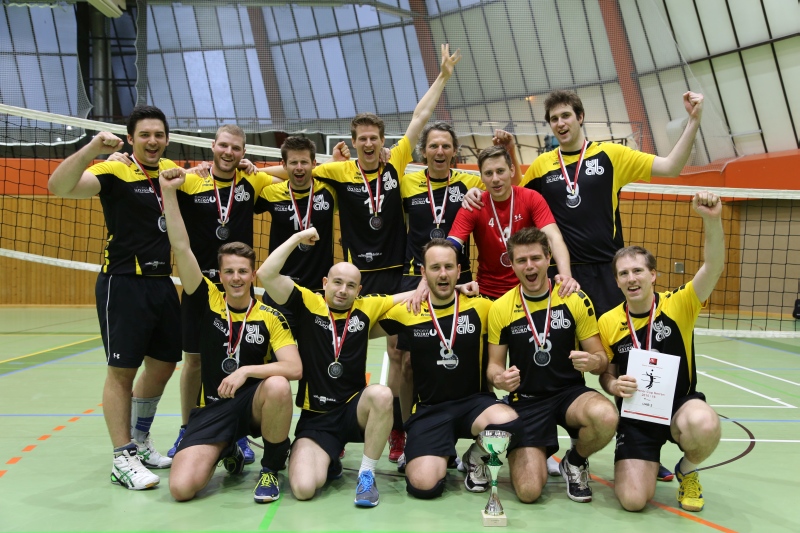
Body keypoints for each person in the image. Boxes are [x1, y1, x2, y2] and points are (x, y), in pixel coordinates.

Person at [465, 89, 705, 479]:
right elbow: (513, 194)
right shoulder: (542, 164)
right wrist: (476, 189)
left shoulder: (611, 155)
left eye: (566, 116)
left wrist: (693, 121)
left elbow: (671, 166)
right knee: (553, 359)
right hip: (563, 279)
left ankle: (640, 444)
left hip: (607, 276)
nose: (560, 123)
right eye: (554, 119)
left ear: (579, 117)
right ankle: (543, 438)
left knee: (627, 360)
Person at [278, 43, 463, 464]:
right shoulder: (338, 170)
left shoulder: (396, 163)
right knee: (335, 350)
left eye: (374, 138)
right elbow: (294, 170)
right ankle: (334, 423)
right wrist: (251, 170)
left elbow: (419, 118)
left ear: (382, 142)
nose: (367, 144)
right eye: (361, 139)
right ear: (352, 141)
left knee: (401, 356)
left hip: (398, 276)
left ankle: (399, 430)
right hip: (354, 280)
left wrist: (443, 76)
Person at [47, 105, 180, 489]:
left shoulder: (171, 171)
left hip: (162, 283)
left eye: (158, 135)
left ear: (167, 139)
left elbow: (211, 176)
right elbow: (59, 187)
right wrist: (92, 149)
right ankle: (122, 457)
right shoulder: (114, 169)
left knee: (164, 365)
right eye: (145, 135)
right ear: (131, 139)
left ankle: (139, 439)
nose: (152, 141)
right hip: (123, 283)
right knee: (122, 373)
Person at [158, 166, 302, 503]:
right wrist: (168, 192)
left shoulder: (270, 316)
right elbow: (181, 246)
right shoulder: (206, 299)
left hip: (253, 406)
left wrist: (246, 371)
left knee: (279, 385)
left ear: (253, 276)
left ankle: (270, 468)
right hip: (212, 408)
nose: (236, 278)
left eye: (243, 272)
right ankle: (226, 449)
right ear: (220, 276)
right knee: (181, 489)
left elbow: (294, 368)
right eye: (229, 272)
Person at [257, 227, 416, 507]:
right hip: (317, 418)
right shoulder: (308, 302)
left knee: (381, 394)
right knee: (304, 489)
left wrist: (456, 288)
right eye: (338, 282)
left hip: (354, 410)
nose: (343, 290)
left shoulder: (367, 307)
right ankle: (329, 459)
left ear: (359, 290)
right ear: (325, 283)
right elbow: (266, 274)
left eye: (351, 286)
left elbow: (415, 295)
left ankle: (366, 475)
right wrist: (296, 238)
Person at [598, 191, 724, 513]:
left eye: (638, 271)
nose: (631, 278)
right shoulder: (608, 321)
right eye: (623, 273)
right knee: (633, 501)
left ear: (653, 274)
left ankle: (687, 469)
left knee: (705, 423)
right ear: (617, 281)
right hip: (636, 416)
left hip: (679, 406)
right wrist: (613, 385)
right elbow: (607, 374)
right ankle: (647, 461)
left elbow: (713, 267)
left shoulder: (679, 304)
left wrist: (712, 220)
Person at [379, 239, 521, 498]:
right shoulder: (408, 311)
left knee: (511, 423)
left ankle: (475, 458)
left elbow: (520, 305)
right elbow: (363, 320)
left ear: (458, 270)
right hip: (430, 411)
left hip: (474, 405)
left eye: (448, 267)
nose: (442, 274)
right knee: (423, 487)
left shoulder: (483, 307)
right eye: (435, 268)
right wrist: (409, 425)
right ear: (423, 273)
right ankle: (436, 452)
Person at [487, 227, 618, 504]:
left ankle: (575, 461)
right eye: (521, 260)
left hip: (569, 394)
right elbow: (494, 367)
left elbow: (601, 359)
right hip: (526, 400)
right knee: (528, 492)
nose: (530, 266)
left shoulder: (574, 298)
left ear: (549, 258)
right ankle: (533, 449)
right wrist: (500, 379)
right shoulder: (501, 308)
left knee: (606, 416)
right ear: (512, 265)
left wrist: (593, 361)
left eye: (536, 258)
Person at [448, 146, 577, 300]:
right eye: (488, 173)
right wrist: (430, 281)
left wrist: (566, 276)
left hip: (530, 289)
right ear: (481, 177)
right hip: (489, 293)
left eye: (500, 171)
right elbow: (450, 246)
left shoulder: (531, 198)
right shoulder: (474, 205)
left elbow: (553, 237)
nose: (495, 179)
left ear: (512, 171)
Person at [255, 136, 338, 332]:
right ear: (284, 165)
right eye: (293, 162)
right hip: (280, 288)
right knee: (278, 349)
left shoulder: (330, 190)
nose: (299, 167)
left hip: (318, 291)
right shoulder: (270, 193)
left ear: (314, 164)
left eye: (304, 162)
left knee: (317, 350)